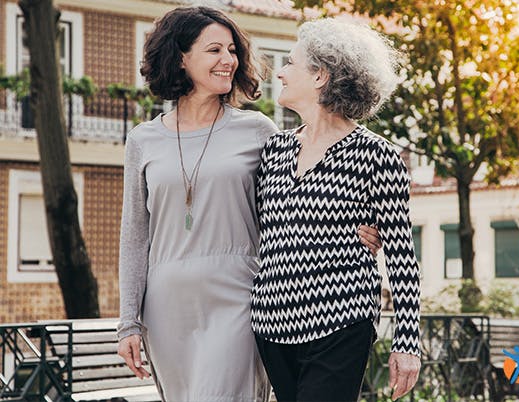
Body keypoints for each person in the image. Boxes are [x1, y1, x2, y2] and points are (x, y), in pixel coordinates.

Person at [116, 7, 381, 402]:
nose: (229, 60)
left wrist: (349, 229)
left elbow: (302, 197)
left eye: (232, 50)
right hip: (167, 306)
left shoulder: (257, 131)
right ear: (181, 57)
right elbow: (135, 237)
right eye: (214, 50)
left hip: (237, 296)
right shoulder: (143, 141)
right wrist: (128, 323)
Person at [251, 18, 422, 402]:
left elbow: (402, 258)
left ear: (320, 76)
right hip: (272, 324)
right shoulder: (273, 150)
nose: (280, 72)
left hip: (340, 322)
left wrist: (407, 342)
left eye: (291, 63)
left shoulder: (376, 156)